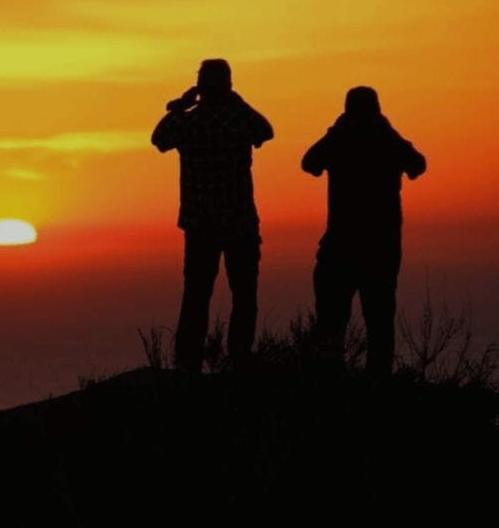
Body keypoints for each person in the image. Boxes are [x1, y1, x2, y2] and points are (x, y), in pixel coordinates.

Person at [152, 59, 274, 372]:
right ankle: (240, 359)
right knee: (244, 296)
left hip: (200, 224)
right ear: (229, 84)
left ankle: (187, 364)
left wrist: (180, 106)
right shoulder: (238, 117)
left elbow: (159, 139)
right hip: (239, 222)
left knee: (196, 297)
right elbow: (266, 131)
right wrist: (236, 100)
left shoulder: (189, 122)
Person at [302, 86, 426, 378]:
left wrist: (336, 130)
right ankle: (376, 382)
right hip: (379, 248)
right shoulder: (386, 141)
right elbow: (417, 165)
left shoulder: (341, 140)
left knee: (334, 319)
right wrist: (388, 130)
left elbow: (310, 163)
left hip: (343, 246)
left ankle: (331, 380)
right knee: (379, 320)